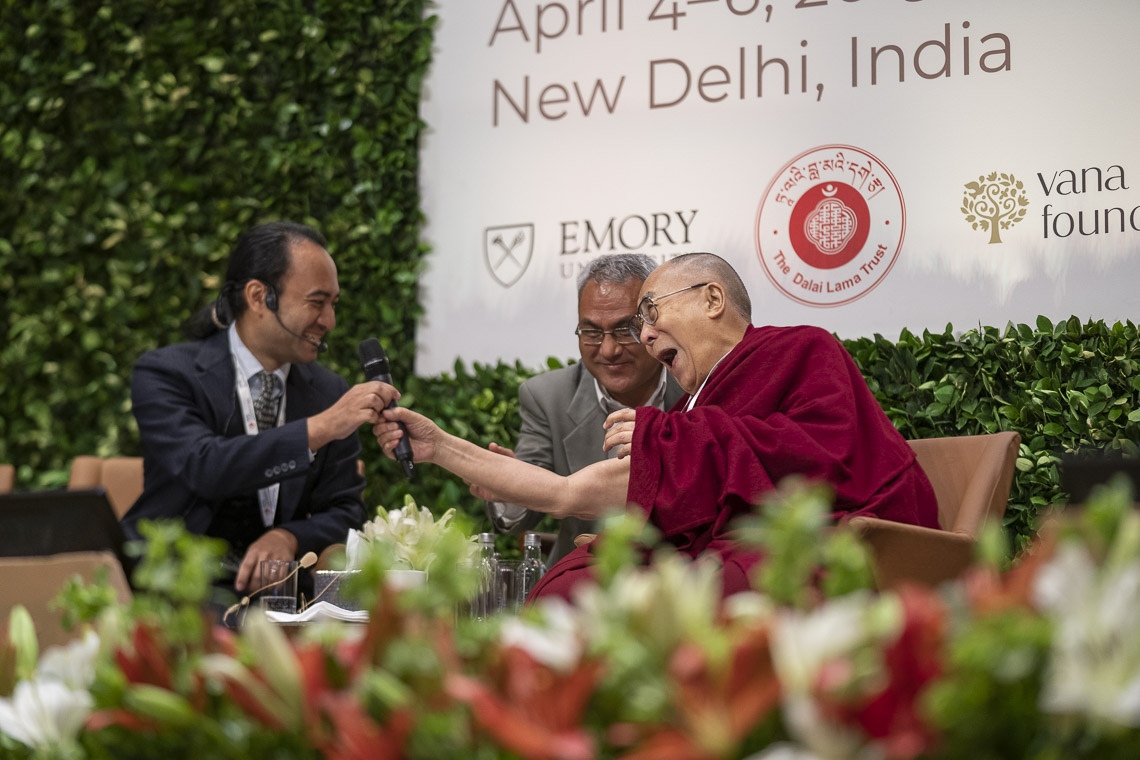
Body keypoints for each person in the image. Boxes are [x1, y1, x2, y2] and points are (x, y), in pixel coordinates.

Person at [375, 252, 939, 601]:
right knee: (575, 579)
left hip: (808, 547)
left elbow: (829, 457)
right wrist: (442, 446)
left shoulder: (801, 350)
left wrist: (672, 445)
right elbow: (576, 492)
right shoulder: (690, 409)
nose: (641, 338)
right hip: (727, 552)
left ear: (713, 298)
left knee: (625, 591)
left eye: (647, 315)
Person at [124, 221, 398, 598]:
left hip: (282, 595)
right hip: (178, 590)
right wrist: (320, 429)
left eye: (333, 305)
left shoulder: (328, 390)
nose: (330, 322)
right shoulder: (166, 373)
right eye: (317, 303)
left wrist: (289, 536)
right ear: (258, 297)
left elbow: (346, 511)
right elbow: (202, 465)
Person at [480, 253, 684, 566]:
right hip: (580, 575)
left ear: (652, 322)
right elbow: (523, 514)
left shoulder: (694, 385)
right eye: (591, 332)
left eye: (624, 330)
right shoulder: (547, 397)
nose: (608, 350)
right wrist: (507, 487)